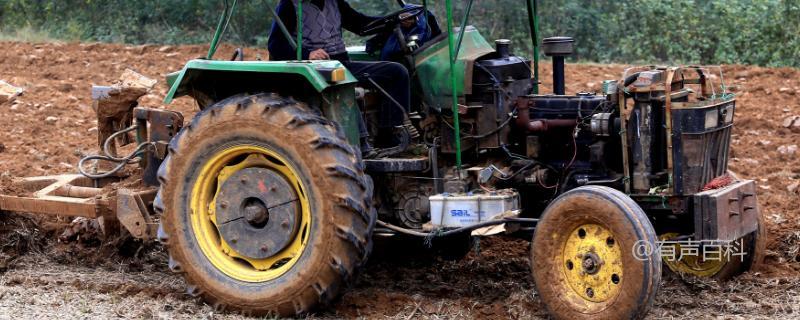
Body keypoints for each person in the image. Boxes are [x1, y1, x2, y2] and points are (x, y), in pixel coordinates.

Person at [268, 0, 411, 156]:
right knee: (341, 82)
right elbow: (275, 44)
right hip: (316, 68)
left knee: (397, 72)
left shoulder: (335, 2)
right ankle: (361, 145)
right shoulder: (290, 5)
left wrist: (393, 21)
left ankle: (388, 136)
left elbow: (361, 24)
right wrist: (307, 54)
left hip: (342, 63)